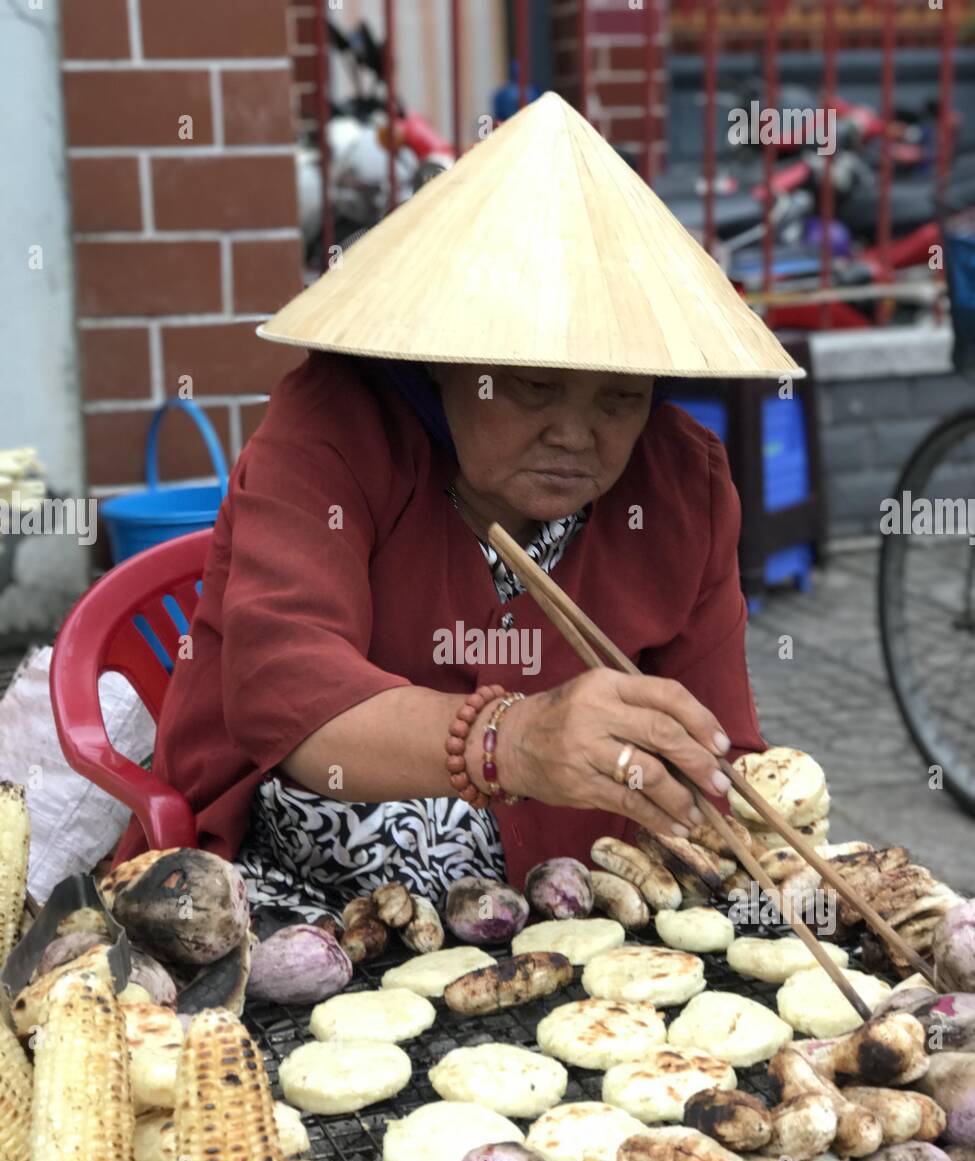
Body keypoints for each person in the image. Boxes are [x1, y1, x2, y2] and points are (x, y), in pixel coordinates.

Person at [115, 94, 801, 920]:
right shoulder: (330, 430)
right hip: (297, 890)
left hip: (572, 902)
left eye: (619, 399)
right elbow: (284, 692)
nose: (574, 435)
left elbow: (718, 740)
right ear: (445, 361)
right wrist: (512, 741)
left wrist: (741, 805)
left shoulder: (681, 481)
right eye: (531, 387)